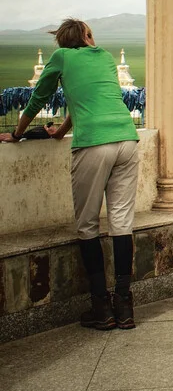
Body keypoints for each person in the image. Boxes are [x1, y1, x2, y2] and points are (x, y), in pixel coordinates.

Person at [0, 19, 139, 329]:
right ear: (87, 36)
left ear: (62, 41)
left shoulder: (62, 57)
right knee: (121, 222)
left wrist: (18, 134)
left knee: (88, 224)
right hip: (127, 141)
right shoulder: (103, 56)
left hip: (93, 144)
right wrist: (60, 130)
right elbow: (90, 100)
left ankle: (101, 307)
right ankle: (125, 305)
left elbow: (38, 98)